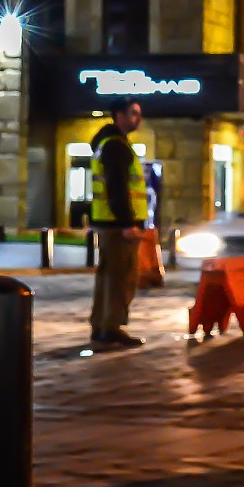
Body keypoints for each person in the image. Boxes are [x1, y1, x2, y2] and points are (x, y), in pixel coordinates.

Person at [87, 98, 146, 347]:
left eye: (139, 114)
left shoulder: (109, 143)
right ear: (118, 116)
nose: (138, 118)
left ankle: (101, 326)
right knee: (121, 277)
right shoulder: (116, 146)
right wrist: (127, 224)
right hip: (118, 226)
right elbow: (117, 188)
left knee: (108, 276)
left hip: (108, 222)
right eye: (133, 113)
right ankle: (110, 328)